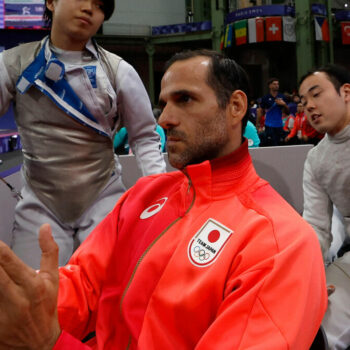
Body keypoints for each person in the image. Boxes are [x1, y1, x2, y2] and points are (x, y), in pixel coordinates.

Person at [0, 50, 327, 350]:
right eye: (164, 103)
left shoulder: (281, 243)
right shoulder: (145, 196)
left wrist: (50, 342)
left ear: (236, 107)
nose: (164, 119)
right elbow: (84, 285)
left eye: (185, 99)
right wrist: (27, 301)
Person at [0, 0, 166, 269]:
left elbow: (145, 136)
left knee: (108, 296)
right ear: (52, 2)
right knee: (32, 297)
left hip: (103, 197)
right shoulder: (13, 63)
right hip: (40, 203)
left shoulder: (118, 70)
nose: (89, 9)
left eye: (99, 5)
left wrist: (159, 197)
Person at [299, 64, 350, 350]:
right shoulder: (316, 160)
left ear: (346, 92)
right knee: (316, 320)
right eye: (304, 102)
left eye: (316, 94)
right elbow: (316, 227)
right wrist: (307, 278)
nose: (310, 106)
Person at [257, 77, 289, 146]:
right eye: (274, 84)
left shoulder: (282, 96)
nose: (276, 85)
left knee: (280, 145)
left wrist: (284, 104)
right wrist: (258, 125)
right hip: (269, 126)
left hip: (279, 125)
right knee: (270, 145)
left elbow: (288, 112)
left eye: (277, 84)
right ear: (270, 86)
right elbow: (260, 112)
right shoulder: (265, 98)